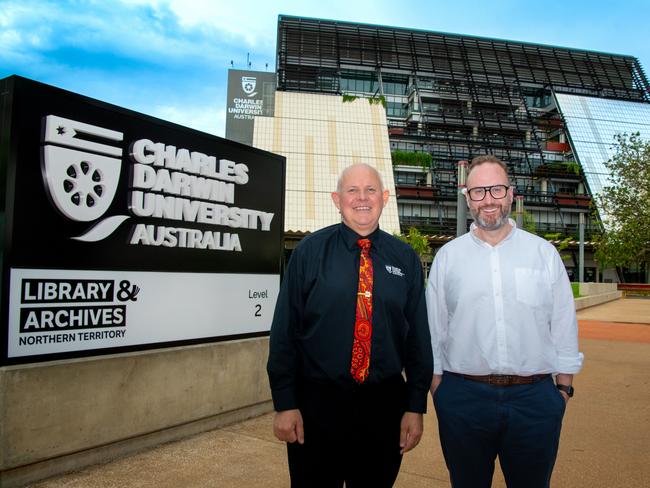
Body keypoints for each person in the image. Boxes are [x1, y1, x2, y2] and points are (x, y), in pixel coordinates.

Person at [267, 163, 433, 488]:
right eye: (352, 190)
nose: (362, 198)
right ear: (336, 198)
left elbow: (418, 339)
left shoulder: (405, 259)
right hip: (317, 404)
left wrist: (415, 405)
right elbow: (284, 331)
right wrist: (285, 403)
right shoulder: (308, 253)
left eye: (370, 190)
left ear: (384, 198)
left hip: (383, 407)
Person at [426, 154, 584, 488]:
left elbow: (563, 323)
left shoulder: (543, 254)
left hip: (535, 399)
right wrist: (440, 391)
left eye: (496, 190)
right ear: (467, 198)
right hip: (463, 399)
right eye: (478, 191)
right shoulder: (448, 258)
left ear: (511, 193)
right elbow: (434, 330)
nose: (488, 200)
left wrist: (563, 390)